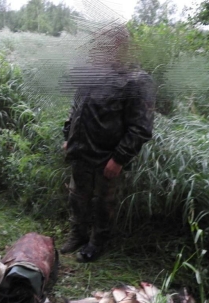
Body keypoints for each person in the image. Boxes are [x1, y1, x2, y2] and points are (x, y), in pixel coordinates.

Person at [60, 25, 155, 262]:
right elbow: (76, 110)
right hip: (80, 151)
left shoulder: (136, 80)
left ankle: (97, 242)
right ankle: (78, 235)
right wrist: (67, 137)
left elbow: (141, 127)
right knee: (77, 197)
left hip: (108, 156)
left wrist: (119, 158)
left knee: (104, 203)